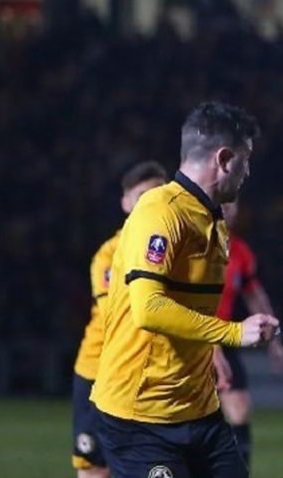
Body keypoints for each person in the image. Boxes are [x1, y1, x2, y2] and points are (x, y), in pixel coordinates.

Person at [90, 102, 279, 478]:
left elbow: (189, 308)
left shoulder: (214, 222)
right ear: (224, 159)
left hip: (198, 411)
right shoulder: (160, 211)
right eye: (245, 160)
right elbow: (149, 308)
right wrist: (233, 333)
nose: (248, 172)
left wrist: (210, 349)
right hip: (140, 415)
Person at [71, 161, 168, 478]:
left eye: (156, 193)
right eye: (140, 195)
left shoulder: (177, 251)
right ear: (125, 202)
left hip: (151, 377)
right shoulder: (109, 254)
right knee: (95, 469)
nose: (148, 201)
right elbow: (122, 313)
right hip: (100, 371)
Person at [215, 200, 283, 470]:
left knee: (240, 409)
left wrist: (275, 340)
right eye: (223, 204)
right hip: (190, 338)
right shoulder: (192, 241)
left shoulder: (240, 252)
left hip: (223, 338)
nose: (228, 210)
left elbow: (254, 295)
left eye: (233, 205)